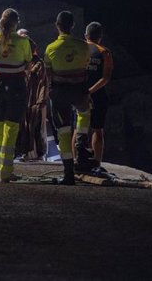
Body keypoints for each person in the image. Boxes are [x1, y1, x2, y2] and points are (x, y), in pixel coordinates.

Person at [44, 11, 92, 185]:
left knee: (63, 133)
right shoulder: (84, 46)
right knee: (85, 112)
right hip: (79, 91)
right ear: (72, 25)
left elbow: (48, 74)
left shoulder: (50, 48)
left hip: (59, 94)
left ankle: (68, 173)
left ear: (57, 25)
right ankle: (81, 143)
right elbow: (86, 68)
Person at [0, 9, 32, 183]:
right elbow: (28, 60)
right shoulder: (23, 40)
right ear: (16, 23)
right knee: (11, 129)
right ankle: (5, 173)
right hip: (16, 87)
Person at [15, 30, 49, 161]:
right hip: (22, 99)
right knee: (22, 127)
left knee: (33, 127)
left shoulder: (38, 64)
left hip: (34, 100)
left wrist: (41, 100)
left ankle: (37, 153)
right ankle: (22, 151)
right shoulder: (21, 64)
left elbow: (43, 82)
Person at [85, 21, 113, 168]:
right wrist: (91, 90)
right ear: (100, 37)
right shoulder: (104, 52)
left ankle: (76, 161)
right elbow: (106, 78)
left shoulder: (79, 50)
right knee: (97, 129)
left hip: (79, 95)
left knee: (78, 130)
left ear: (86, 35)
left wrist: (83, 91)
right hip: (98, 96)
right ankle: (96, 163)